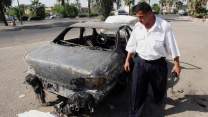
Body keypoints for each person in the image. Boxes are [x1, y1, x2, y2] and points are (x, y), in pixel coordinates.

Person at [124, 2, 181, 117]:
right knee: (136, 92)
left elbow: (172, 46)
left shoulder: (164, 26)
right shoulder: (138, 26)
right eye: (137, 17)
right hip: (140, 63)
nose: (139, 20)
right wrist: (127, 60)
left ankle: (157, 105)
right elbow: (132, 44)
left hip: (158, 65)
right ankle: (135, 114)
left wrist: (177, 64)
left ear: (150, 13)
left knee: (159, 91)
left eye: (141, 17)